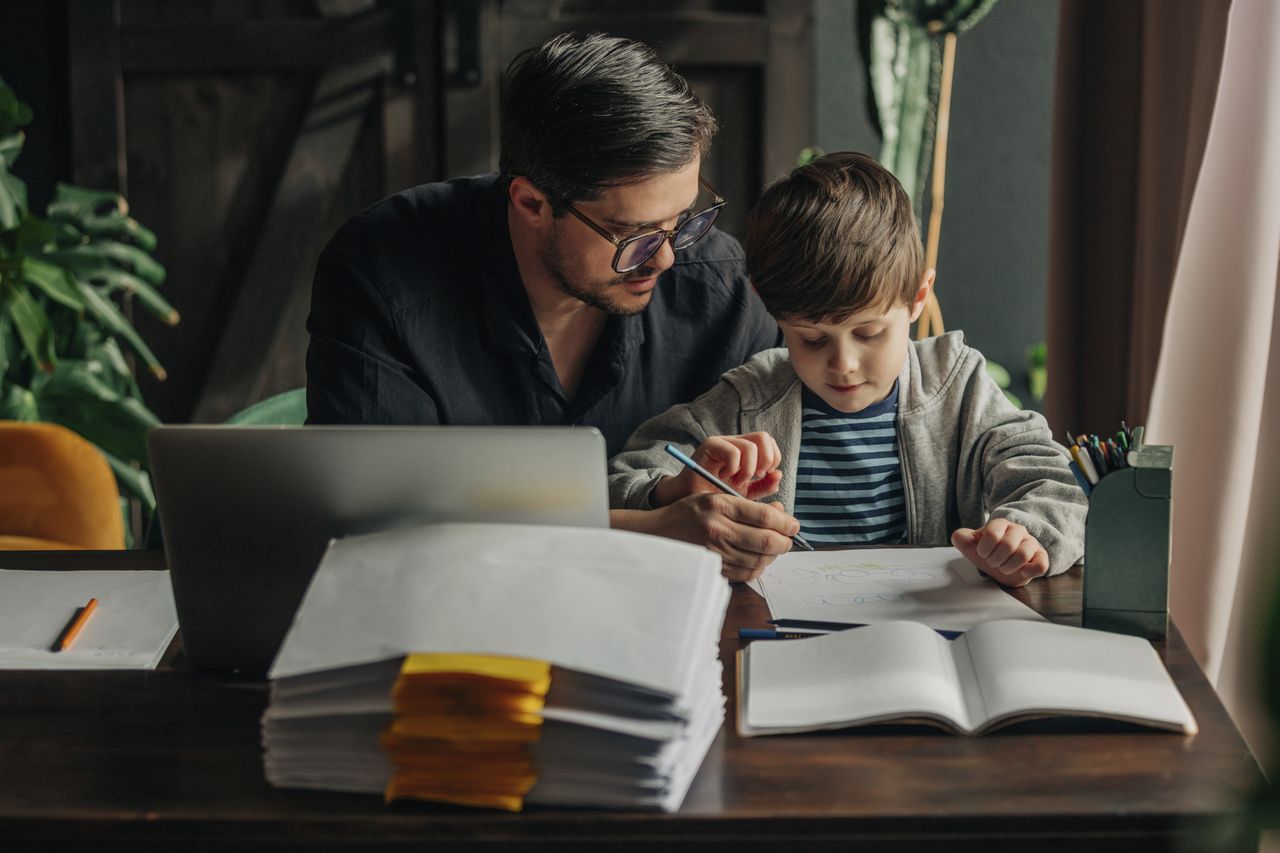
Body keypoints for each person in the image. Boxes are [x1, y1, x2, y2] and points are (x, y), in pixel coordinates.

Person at [305, 32, 796, 573]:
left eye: (680, 221)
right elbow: (378, 526)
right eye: (632, 233)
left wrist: (704, 500)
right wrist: (649, 530)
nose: (665, 259)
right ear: (531, 203)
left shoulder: (715, 281)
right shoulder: (383, 276)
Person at [608, 152, 1088, 584]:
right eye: (812, 339)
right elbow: (616, 484)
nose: (843, 365)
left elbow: (1053, 481)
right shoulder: (747, 398)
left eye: (869, 333)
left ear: (918, 297)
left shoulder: (958, 386)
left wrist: (1027, 534)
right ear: (767, 306)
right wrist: (671, 492)